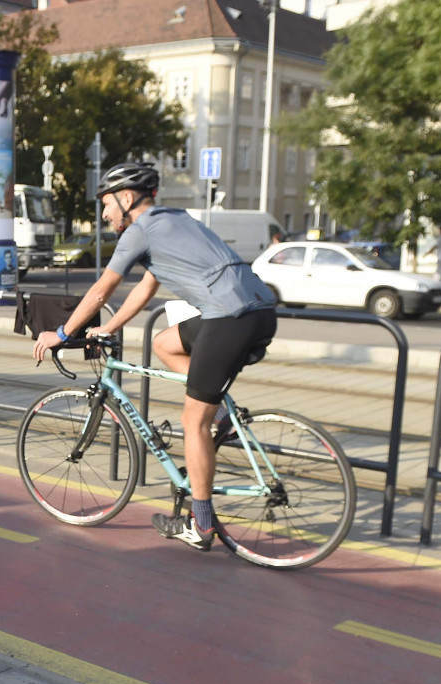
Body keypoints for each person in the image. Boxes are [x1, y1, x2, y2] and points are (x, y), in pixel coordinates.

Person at [33, 162, 277, 552]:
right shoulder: (175, 221)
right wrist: (109, 329)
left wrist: (62, 333)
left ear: (127, 199)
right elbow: (147, 287)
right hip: (259, 311)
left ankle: (200, 524)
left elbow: (101, 290)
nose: (106, 214)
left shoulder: (139, 231)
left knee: (191, 422)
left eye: (107, 205)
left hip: (230, 319)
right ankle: (218, 412)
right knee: (164, 342)